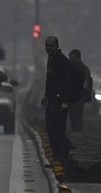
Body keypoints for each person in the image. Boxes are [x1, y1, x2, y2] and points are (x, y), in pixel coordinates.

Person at [41, 36, 74, 166]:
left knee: (56, 129)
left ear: (57, 46)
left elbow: (67, 83)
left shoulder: (61, 61)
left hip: (59, 100)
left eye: (51, 45)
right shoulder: (51, 59)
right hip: (52, 99)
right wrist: (45, 95)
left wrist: (65, 101)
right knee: (50, 128)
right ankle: (64, 150)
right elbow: (50, 81)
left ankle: (60, 156)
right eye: (47, 45)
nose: (48, 48)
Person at [68, 49, 92, 132]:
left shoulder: (83, 69)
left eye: (73, 58)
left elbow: (86, 82)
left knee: (77, 112)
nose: (71, 60)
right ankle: (75, 129)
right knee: (72, 113)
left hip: (80, 94)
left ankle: (78, 129)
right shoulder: (71, 67)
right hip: (72, 94)